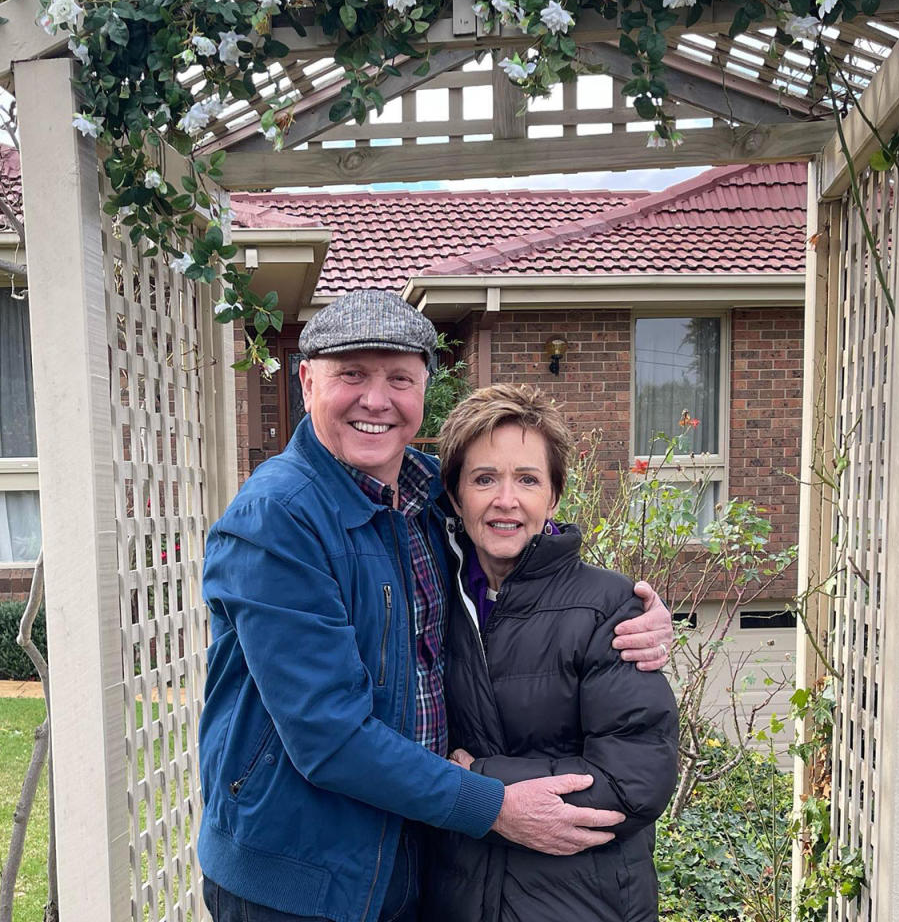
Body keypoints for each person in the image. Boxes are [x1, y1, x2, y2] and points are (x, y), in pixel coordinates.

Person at [197, 289, 674, 922]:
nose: (376, 399)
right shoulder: (277, 519)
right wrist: (492, 803)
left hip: (406, 858)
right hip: (297, 876)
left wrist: (630, 610)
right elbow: (328, 736)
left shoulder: (424, 500)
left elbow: (516, 526)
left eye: (399, 377)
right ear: (307, 381)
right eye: (352, 375)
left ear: (424, 390)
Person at [423, 383, 679, 922]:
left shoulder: (608, 607)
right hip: (458, 894)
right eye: (484, 478)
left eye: (528, 479)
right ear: (455, 495)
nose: (506, 500)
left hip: (582, 900)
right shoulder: (431, 599)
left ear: (554, 497)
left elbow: (634, 782)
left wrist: (482, 779)